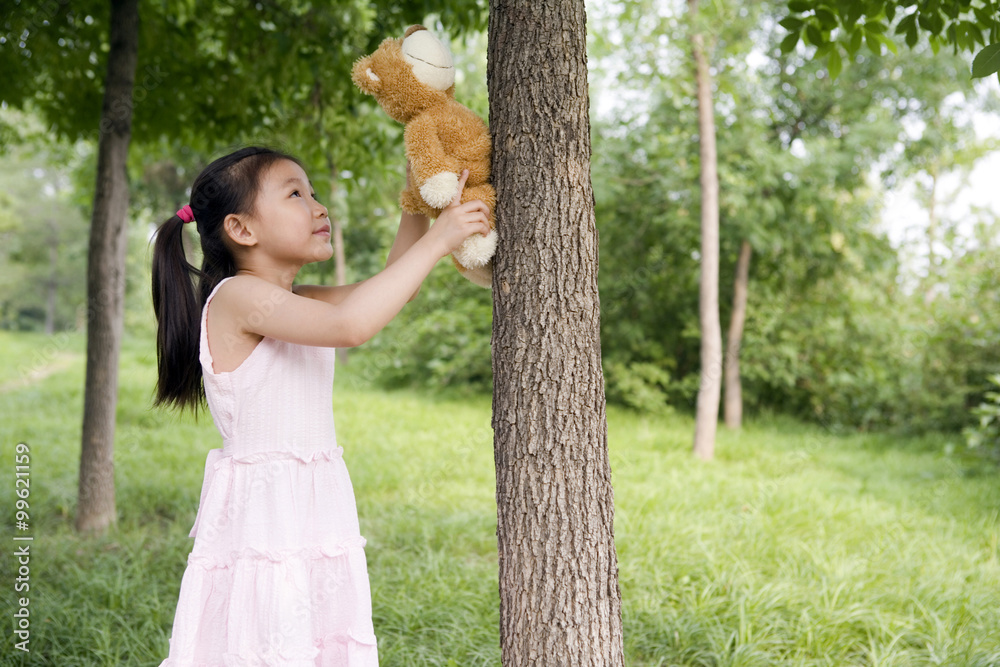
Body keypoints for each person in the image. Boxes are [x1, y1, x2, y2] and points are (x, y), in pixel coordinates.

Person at [151, 145, 490, 665]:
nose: (319, 206)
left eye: (313, 192)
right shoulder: (237, 298)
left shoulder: (297, 298)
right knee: (271, 641)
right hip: (267, 517)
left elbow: (388, 291)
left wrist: (415, 202)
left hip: (312, 506)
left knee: (316, 641)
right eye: (295, 194)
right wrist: (441, 239)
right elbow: (350, 327)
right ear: (242, 230)